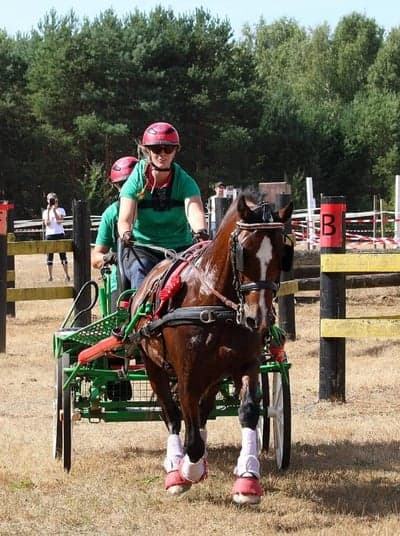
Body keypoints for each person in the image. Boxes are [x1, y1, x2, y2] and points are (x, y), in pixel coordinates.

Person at [117, 121, 208, 290]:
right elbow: (124, 218)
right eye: (157, 149)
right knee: (140, 271)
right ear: (147, 150)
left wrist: (200, 231)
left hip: (180, 249)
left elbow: (194, 211)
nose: (162, 154)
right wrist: (126, 233)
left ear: (175, 151)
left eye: (168, 149)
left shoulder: (185, 181)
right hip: (143, 249)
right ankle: (145, 315)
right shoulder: (135, 180)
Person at [91, 156, 138, 308]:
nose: (126, 188)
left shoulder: (155, 208)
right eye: (121, 184)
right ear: (115, 186)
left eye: (130, 182)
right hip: (121, 279)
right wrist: (110, 257)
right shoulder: (111, 214)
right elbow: (95, 257)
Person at [43, 192, 70, 282]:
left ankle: (66, 275)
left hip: (59, 234)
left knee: (63, 255)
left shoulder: (61, 210)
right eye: (50, 200)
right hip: (49, 235)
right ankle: (50, 276)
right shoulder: (45, 212)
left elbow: (59, 221)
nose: (51, 202)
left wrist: (54, 210)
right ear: (47, 201)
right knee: (49, 256)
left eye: (53, 200)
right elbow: (47, 223)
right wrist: (48, 211)